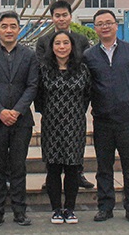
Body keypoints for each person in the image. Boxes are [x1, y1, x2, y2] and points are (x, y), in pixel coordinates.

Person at [84, 9, 129, 223]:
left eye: (108, 22)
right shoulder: (89, 56)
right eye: (100, 24)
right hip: (102, 120)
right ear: (95, 28)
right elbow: (87, 86)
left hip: (128, 119)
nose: (105, 27)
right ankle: (105, 206)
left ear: (116, 25)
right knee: (104, 167)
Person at [0, 12, 38, 227]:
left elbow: (32, 86)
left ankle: (20, 211)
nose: (9, 30)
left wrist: (17, 111)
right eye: (4, 26)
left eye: (13, 26)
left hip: (22, 121)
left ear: (19, 29)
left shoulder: (29, 55)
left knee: (19, 167)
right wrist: (0, 111)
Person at [35, 0, 93, 190]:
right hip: (51, 107)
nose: (61, 19)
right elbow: (40, 76)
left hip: (74, 106)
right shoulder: (43, 41)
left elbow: (87, 78)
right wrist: (44, 108)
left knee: (75, 147)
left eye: (64, 15)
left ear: (70, 16)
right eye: (57, 15)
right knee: (52, 148)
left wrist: (79, 107)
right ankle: (51, 177)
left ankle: (78, 174)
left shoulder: (81, 40)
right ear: (52, 18)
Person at [35, 30, 91, 225]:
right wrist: (50, 112)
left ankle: (70, 209)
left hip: (75, 125)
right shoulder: (44, 70)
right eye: (57, 43)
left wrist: (75, 112)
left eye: (65, 43)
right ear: (51, 47)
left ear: (72, 46)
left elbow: (87, 95)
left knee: (72, 168)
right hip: (51, 125)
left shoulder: (82, 69)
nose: (61, 47)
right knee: (53, 168)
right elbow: (38, 97)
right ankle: (56, 210)